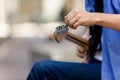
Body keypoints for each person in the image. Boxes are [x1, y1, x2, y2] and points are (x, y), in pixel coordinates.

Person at [64, 0, 120, 80]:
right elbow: (98, 17)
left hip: (114, 68)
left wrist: (93, 17)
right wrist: (87, 37)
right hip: (95, 61)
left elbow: (95, 17)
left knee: (44, 69)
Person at [27, 26, 102, 80]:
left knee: (41, 69)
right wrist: (87, 38)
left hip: (107, 68)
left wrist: (93, 17)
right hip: (93, 61)